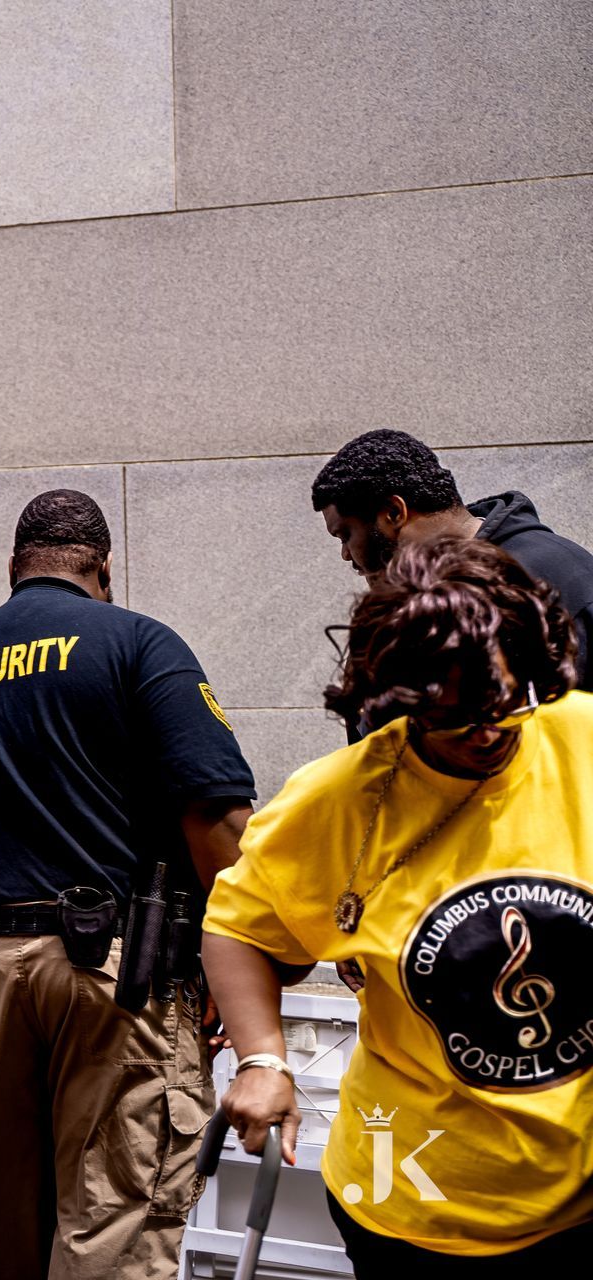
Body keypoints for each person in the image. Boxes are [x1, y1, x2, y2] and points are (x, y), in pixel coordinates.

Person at [206, 538, 593, 1274]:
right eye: (452, 716)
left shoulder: (582, 741)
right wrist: (263, 1060)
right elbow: (237, 928)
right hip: (412, 1195)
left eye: (504, 706)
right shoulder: (340, 800)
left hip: (578, 1194)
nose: (485, 732)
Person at [0, 489, 255, 1280]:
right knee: (116, 1214)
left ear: (15, 568)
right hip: (112, 978)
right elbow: (217, 820)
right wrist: (243, 967)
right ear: (102, 568)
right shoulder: (137, 642)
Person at [313, 428, 593, 685]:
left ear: (394, 513)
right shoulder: (413, 596)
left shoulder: (558, 576)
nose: (345, 555)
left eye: (345, 535)